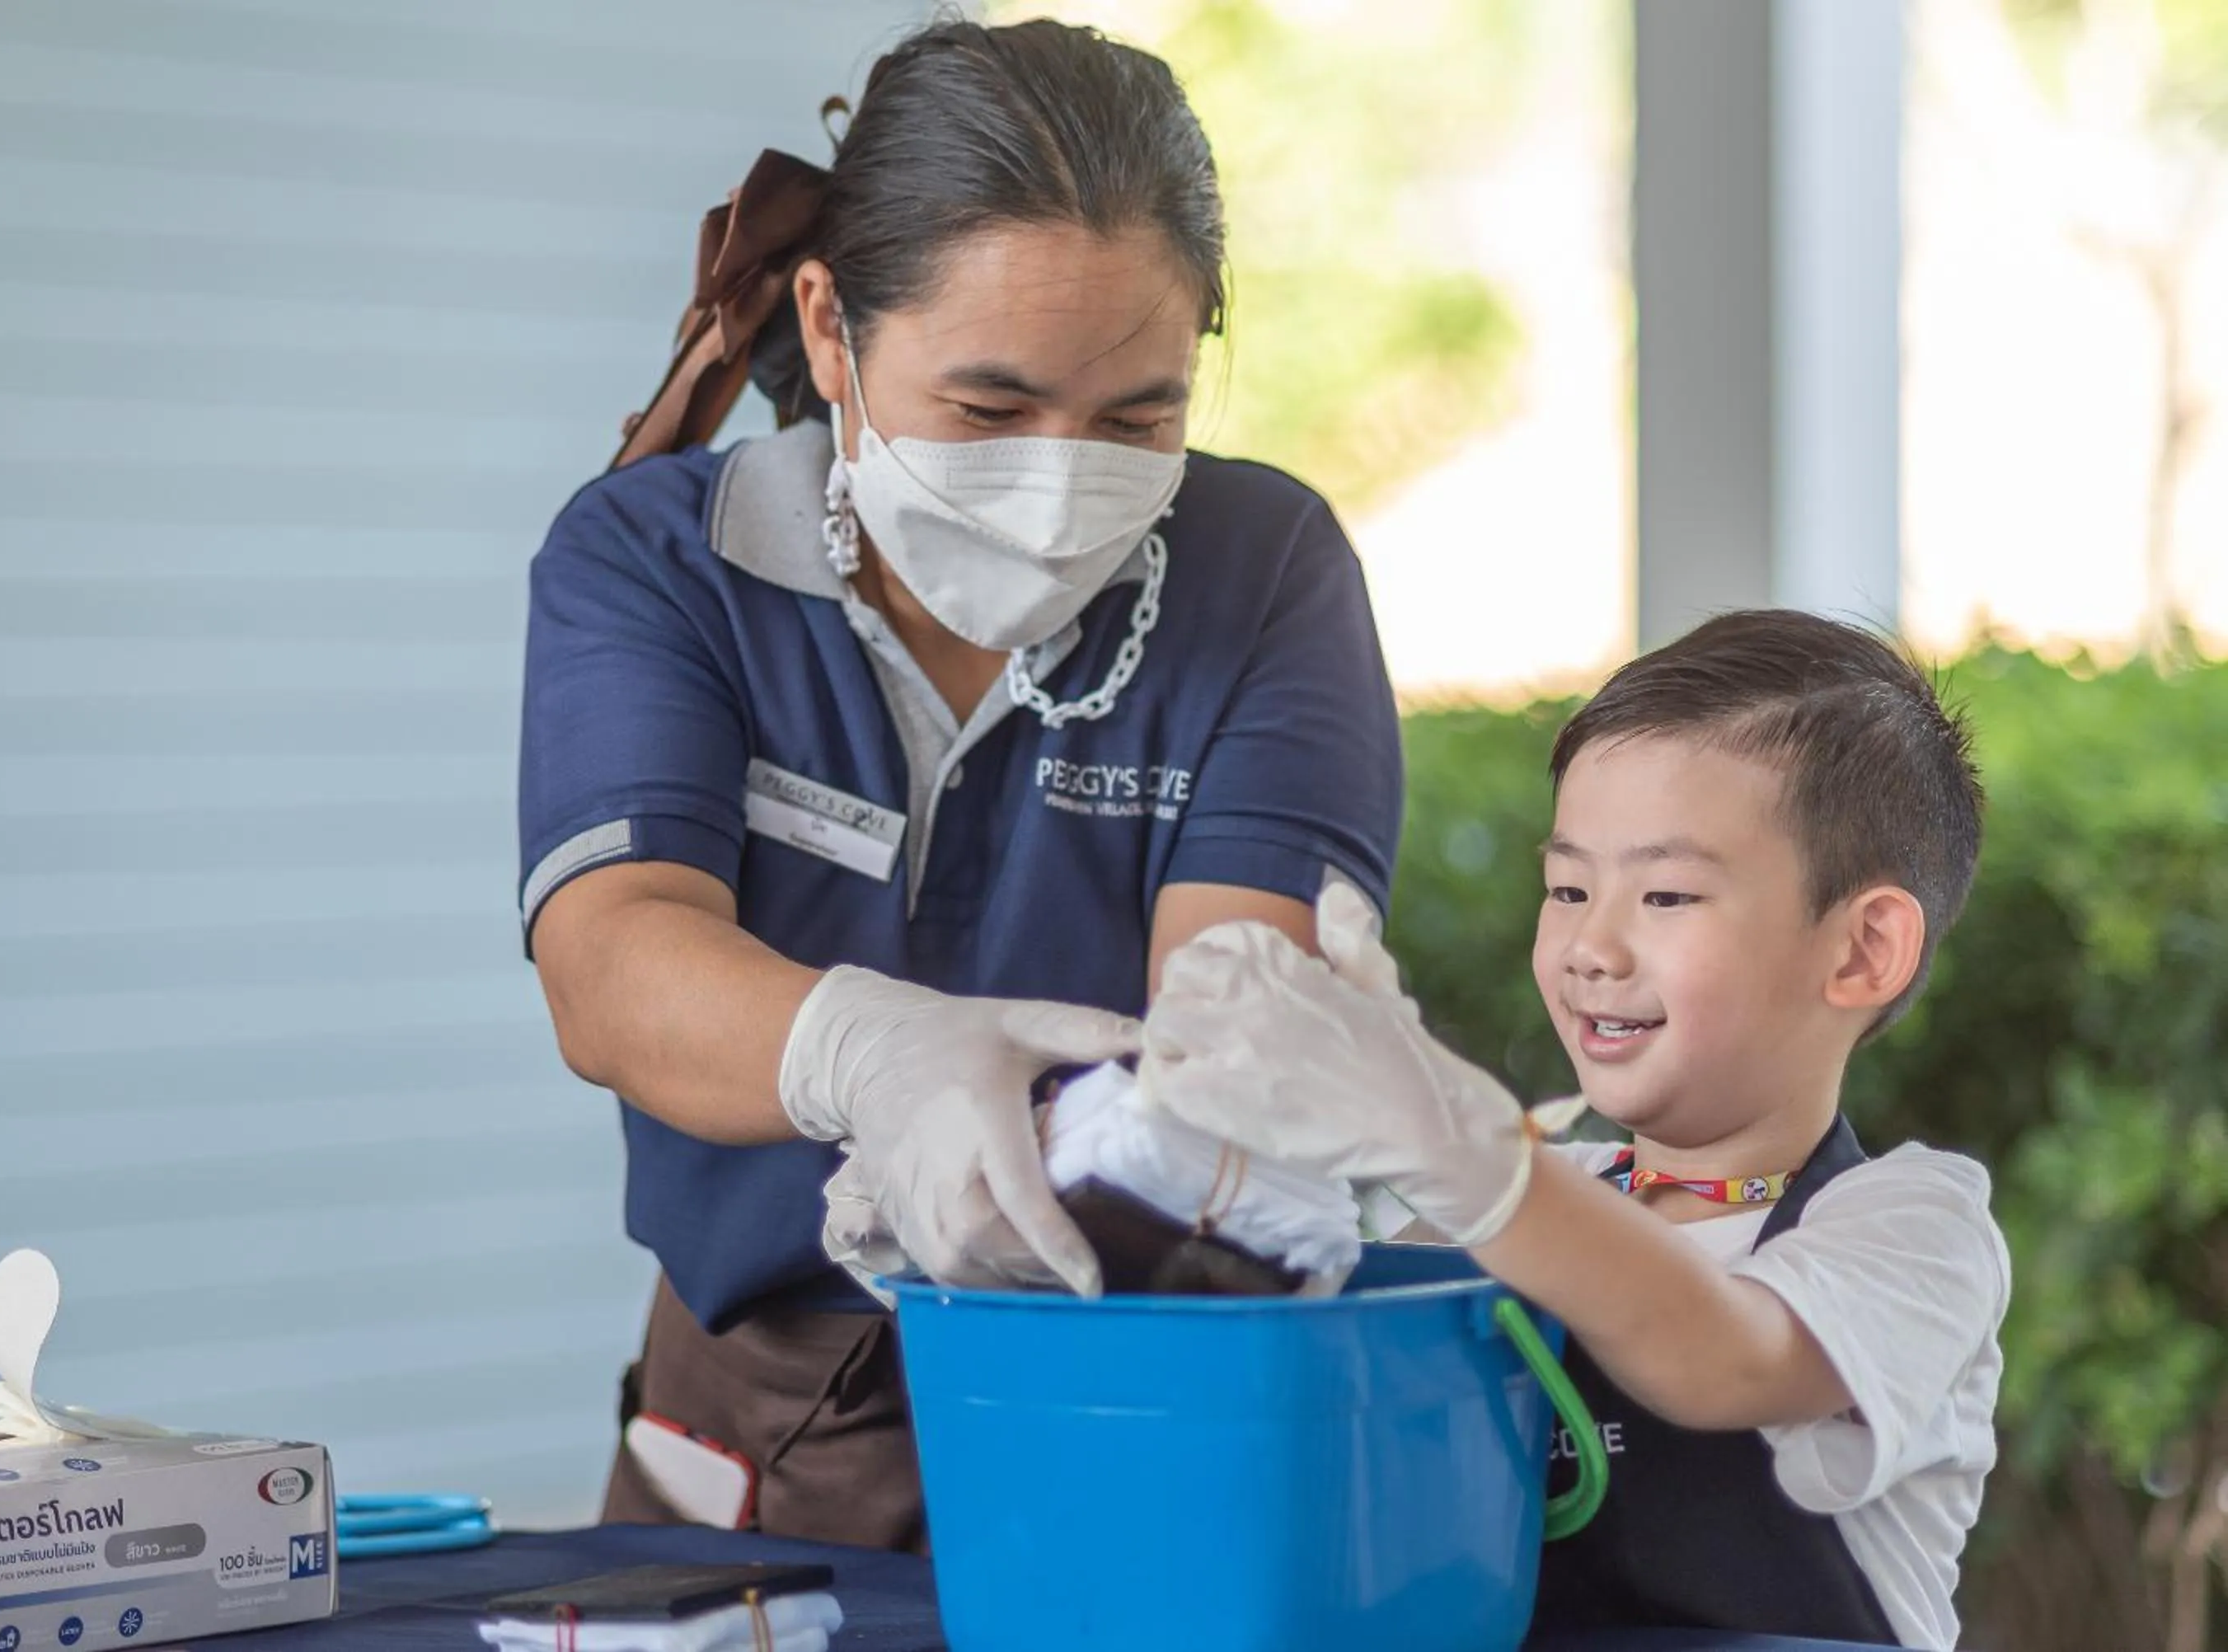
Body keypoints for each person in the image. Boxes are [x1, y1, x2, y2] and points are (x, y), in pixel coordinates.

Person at [518, 19, 1403, 1551]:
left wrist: (1213, 1117)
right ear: (832, 327)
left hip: (1143, 1380)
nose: (1064, 477)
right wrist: (874, 1053)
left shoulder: (1262, 572)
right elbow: (612, 959)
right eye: (989, 413)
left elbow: (1229, 1016)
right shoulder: (665, 564)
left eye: (1137, 417)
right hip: (766, 1422)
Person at [1140, 610, 2008, 1650]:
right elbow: (1299, 1349)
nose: (1591, 945)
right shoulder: (1533, 1196)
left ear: (1866, 950)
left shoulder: (1913, 1230)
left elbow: (1724, 1357)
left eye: (1668, 893)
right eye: (1566, 887)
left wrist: (1459, 1144)